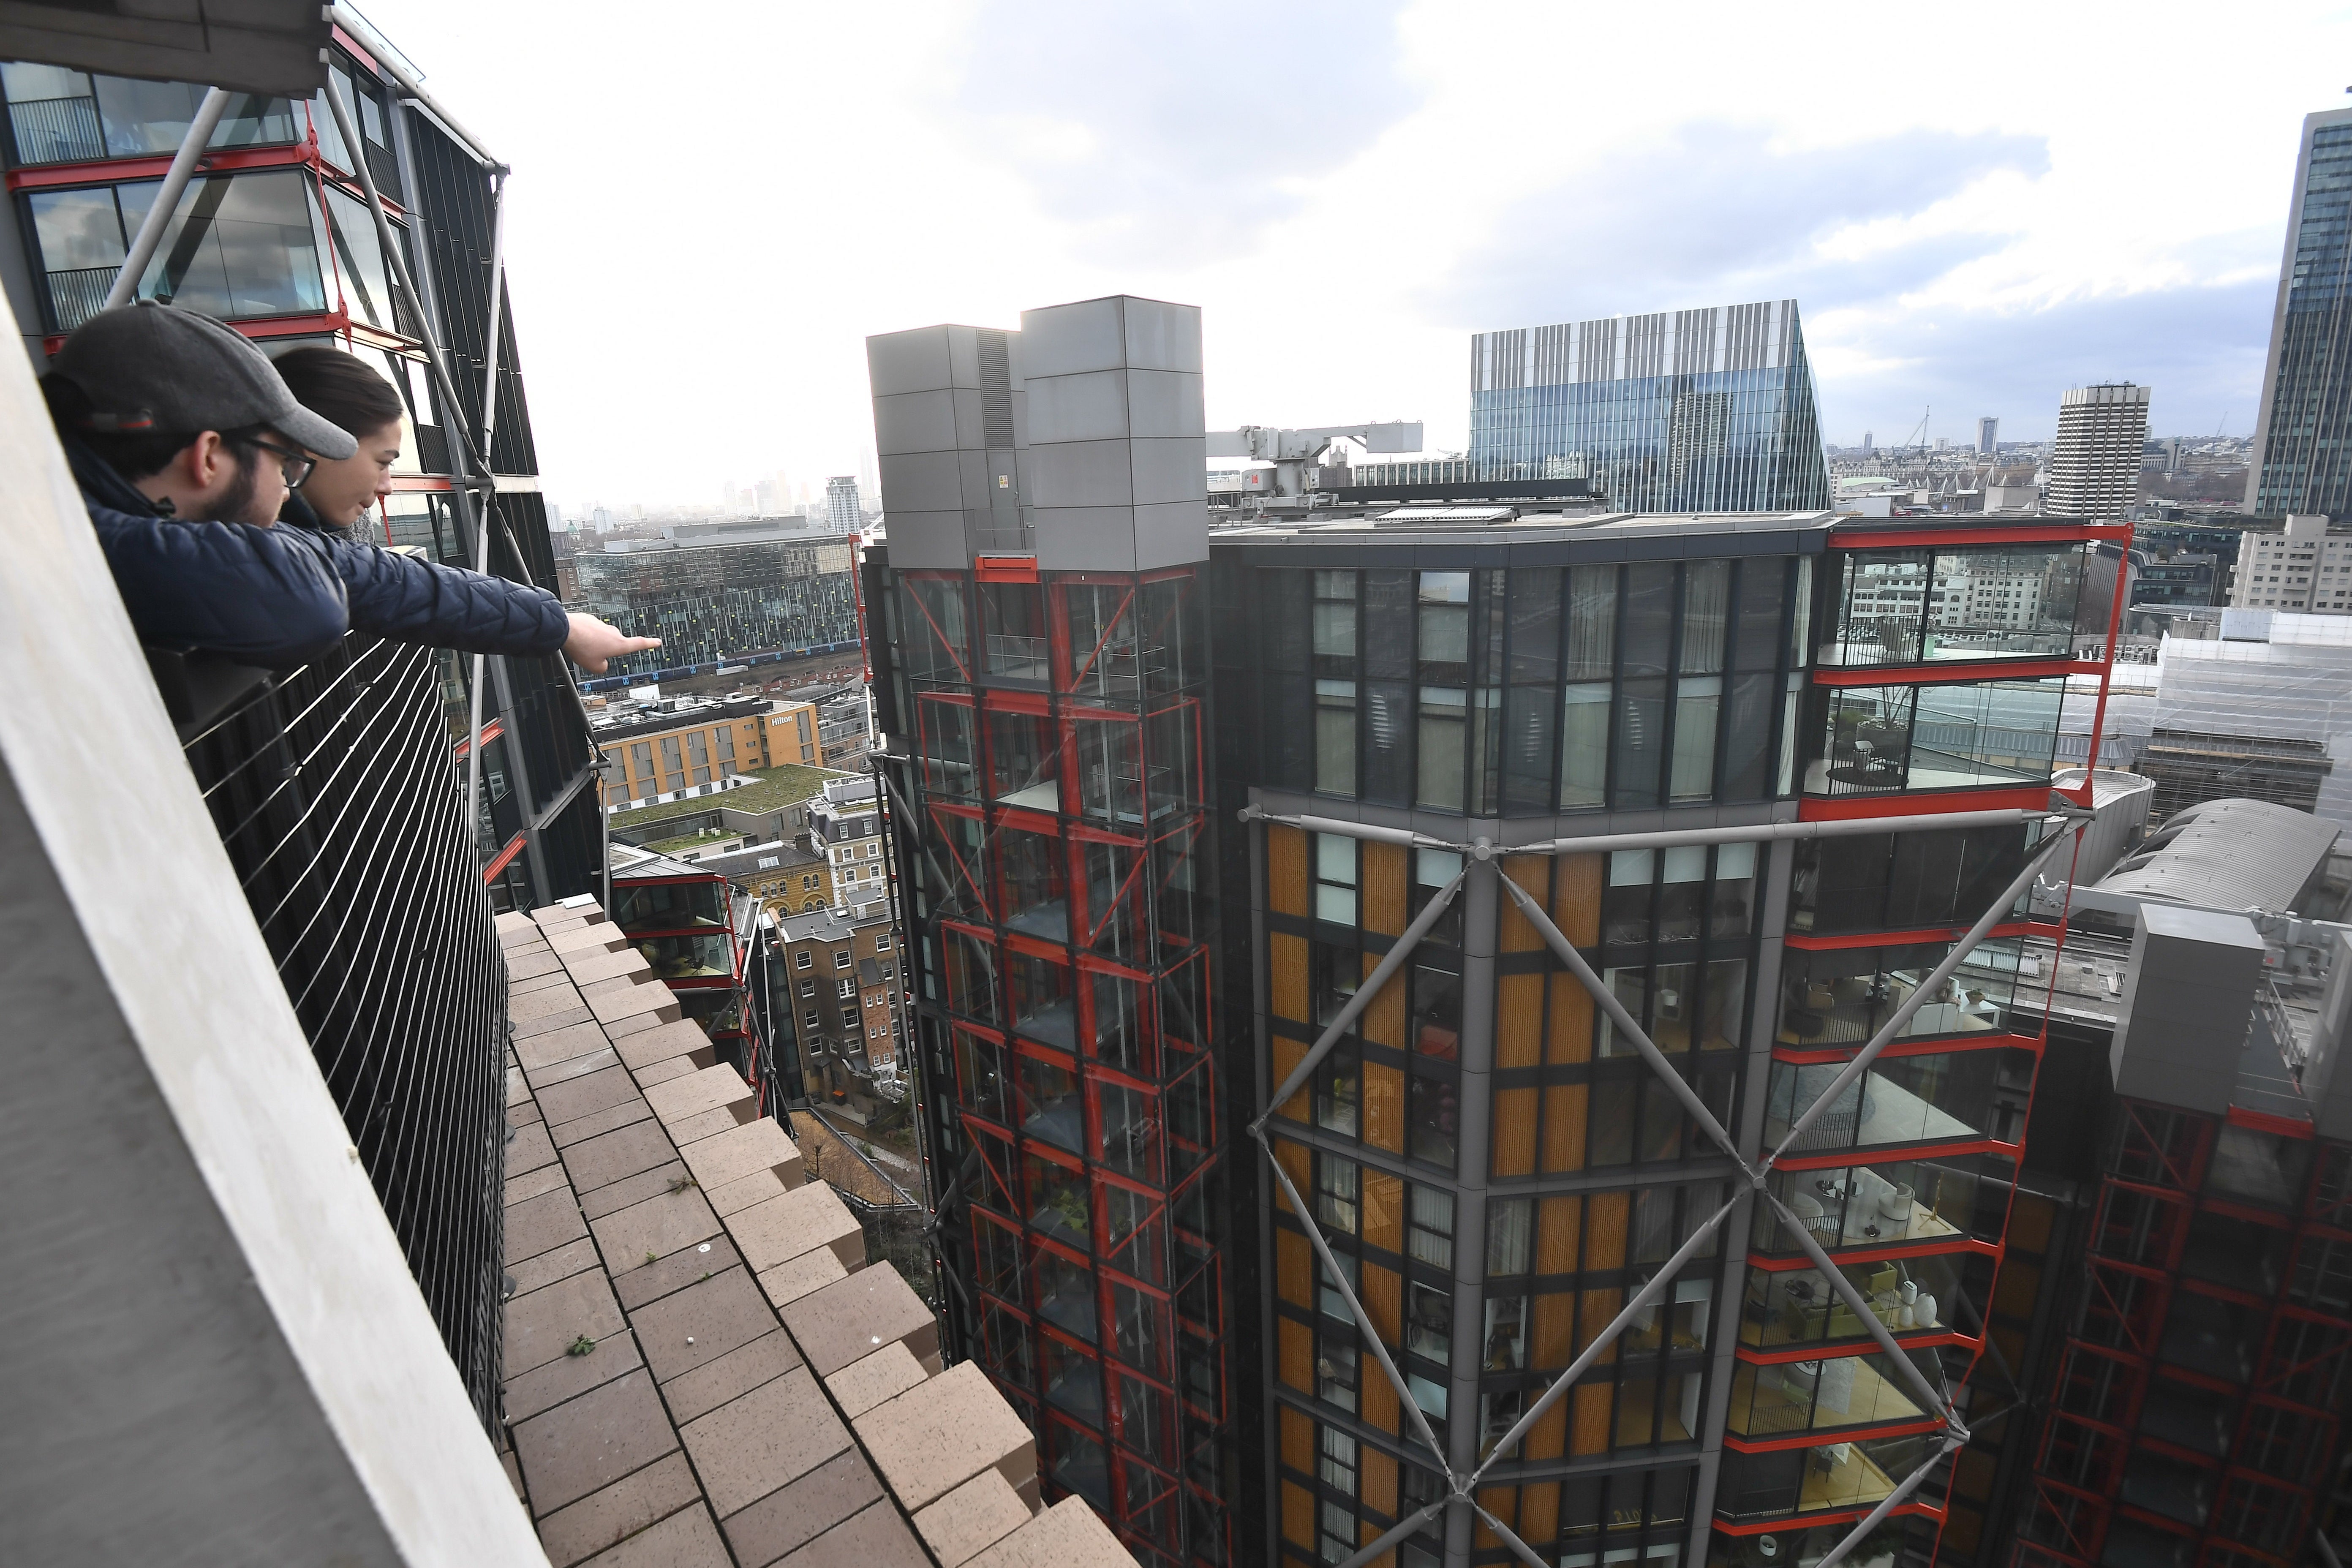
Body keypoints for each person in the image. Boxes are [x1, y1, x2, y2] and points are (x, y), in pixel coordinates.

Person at [46, 302, 658, 673]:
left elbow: (369, 576)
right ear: (209, 457)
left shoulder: (73, 518)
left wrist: (556, 624)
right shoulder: (56, 541)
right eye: (286, 461)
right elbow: (302, 599)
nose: (289, 486)